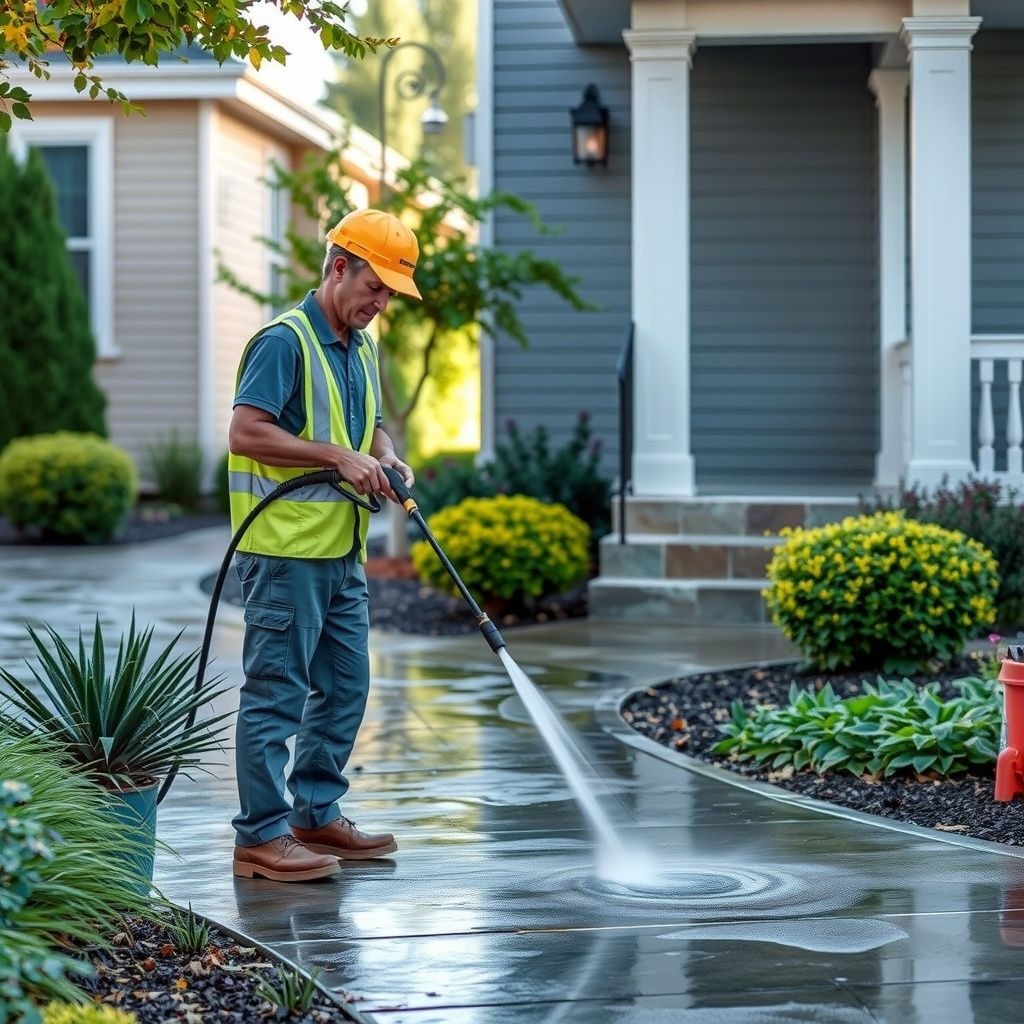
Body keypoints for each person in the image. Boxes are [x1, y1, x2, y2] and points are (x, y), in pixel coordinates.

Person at [227, 209, 419, 883]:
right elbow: (246, 433)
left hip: (341, 553)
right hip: (283, 554)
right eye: (375, 287)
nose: (380, 303)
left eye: (391, 294)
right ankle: (260, 836)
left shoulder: (356, 348)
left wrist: (387, 457)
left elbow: (367, 431)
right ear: (340, 267)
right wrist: (338, 457)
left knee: (345, 688)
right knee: (277, 694)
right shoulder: (285, 342)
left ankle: (314, 812)